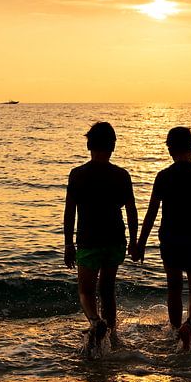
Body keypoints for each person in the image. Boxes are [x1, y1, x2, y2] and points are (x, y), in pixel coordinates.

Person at [136, 127, 191, 351]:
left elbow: (152, 212)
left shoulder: (164, 176)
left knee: (174, 288)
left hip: (170, 239)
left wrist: (141, 243)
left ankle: (176, 333)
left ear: (169, 150)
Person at [64, 122, 138, 353]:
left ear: (88, 145)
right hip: (115, 239)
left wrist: (68, 243)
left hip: (88, 240)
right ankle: (112, 337)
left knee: (86, 291)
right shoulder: (121, 175)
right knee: (107, 290)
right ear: (113, 146)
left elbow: (69, 212)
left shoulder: (77, 174)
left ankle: (96, 322)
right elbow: (132, 210)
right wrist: (134, 241)